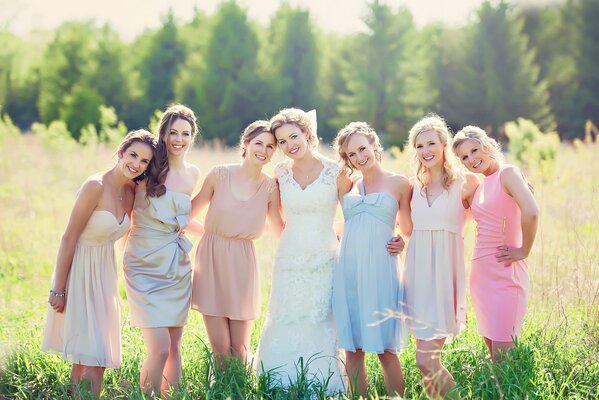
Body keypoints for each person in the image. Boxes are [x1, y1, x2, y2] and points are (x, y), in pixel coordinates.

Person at [255, 109, 404, 395]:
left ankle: (324, 382)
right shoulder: (280, 172)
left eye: (294, 136)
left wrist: (393, 236)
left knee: (320, 317)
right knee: (286, 315)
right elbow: (275, 219)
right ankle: (279, 381)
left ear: (307, 134)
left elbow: (359, 212)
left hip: (326, 256)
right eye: (282, 141)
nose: (290, 145)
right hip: (290, 255)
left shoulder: (337, 173)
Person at [42, 130, 156, 397]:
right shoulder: (95, 186)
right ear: (121, 152)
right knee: (89, 356)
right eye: (133, 155)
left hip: (105, 273)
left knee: (97, 357)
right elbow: (69, 237)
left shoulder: (131, 191)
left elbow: (132, 234)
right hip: (81, 270)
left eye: (145, 161)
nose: (137, 164)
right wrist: (58, 289)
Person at [190, 120, 284, 365]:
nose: (263, 150)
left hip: (243, 261)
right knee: (220, 349)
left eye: (270, 146)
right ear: (246, 143)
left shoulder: (270, 187)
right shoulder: (219, 174)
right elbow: (186, 215)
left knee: (239, 348)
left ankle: (240, 388)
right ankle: (222, 389)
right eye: (259, 143)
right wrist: (210, 235)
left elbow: (280, 231)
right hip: (210, 258)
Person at [123, 104, 201, 395]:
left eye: (185, 133)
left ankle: (173, 395)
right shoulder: (147, 167)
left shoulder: (193, 173)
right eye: (173, 132)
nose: (179, 139)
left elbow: (184, 218)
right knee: (159, 347)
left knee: (174, 345)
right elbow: (122, 201)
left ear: (193, 136)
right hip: (143, 263)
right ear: (164, 134)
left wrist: (220, 236)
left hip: (177, 264)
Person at [332, 121, 412, 398]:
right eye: (351, 154)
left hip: (381, 269)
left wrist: (401, 239)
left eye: (362, 149)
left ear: (374, 145)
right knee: (352, 349)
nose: (359, 157)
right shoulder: (347, 185)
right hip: (349, 270)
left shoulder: (400, 183)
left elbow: (409, 228)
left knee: (386, 349)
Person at [403, 115, 479, 397]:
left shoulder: (466, 182)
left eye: (431, 143)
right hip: (417, 275)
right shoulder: (413, 186)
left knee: (426, 359)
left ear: (444, 144)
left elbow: (495, 202)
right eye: (420, 145)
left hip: (446, 275)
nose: (426, 151)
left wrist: (520, 187)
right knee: (423, 362)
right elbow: (403, 227)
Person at [453, 125, 539, 360]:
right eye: (464, 157)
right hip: (481, 278)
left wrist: (523, 250)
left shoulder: (507, 173)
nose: (471, 159)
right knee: (493, 357)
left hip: (506, 275)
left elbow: (531, 212)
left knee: (504, 359)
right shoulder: (480, 186)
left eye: (474, 150)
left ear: (487, 146)